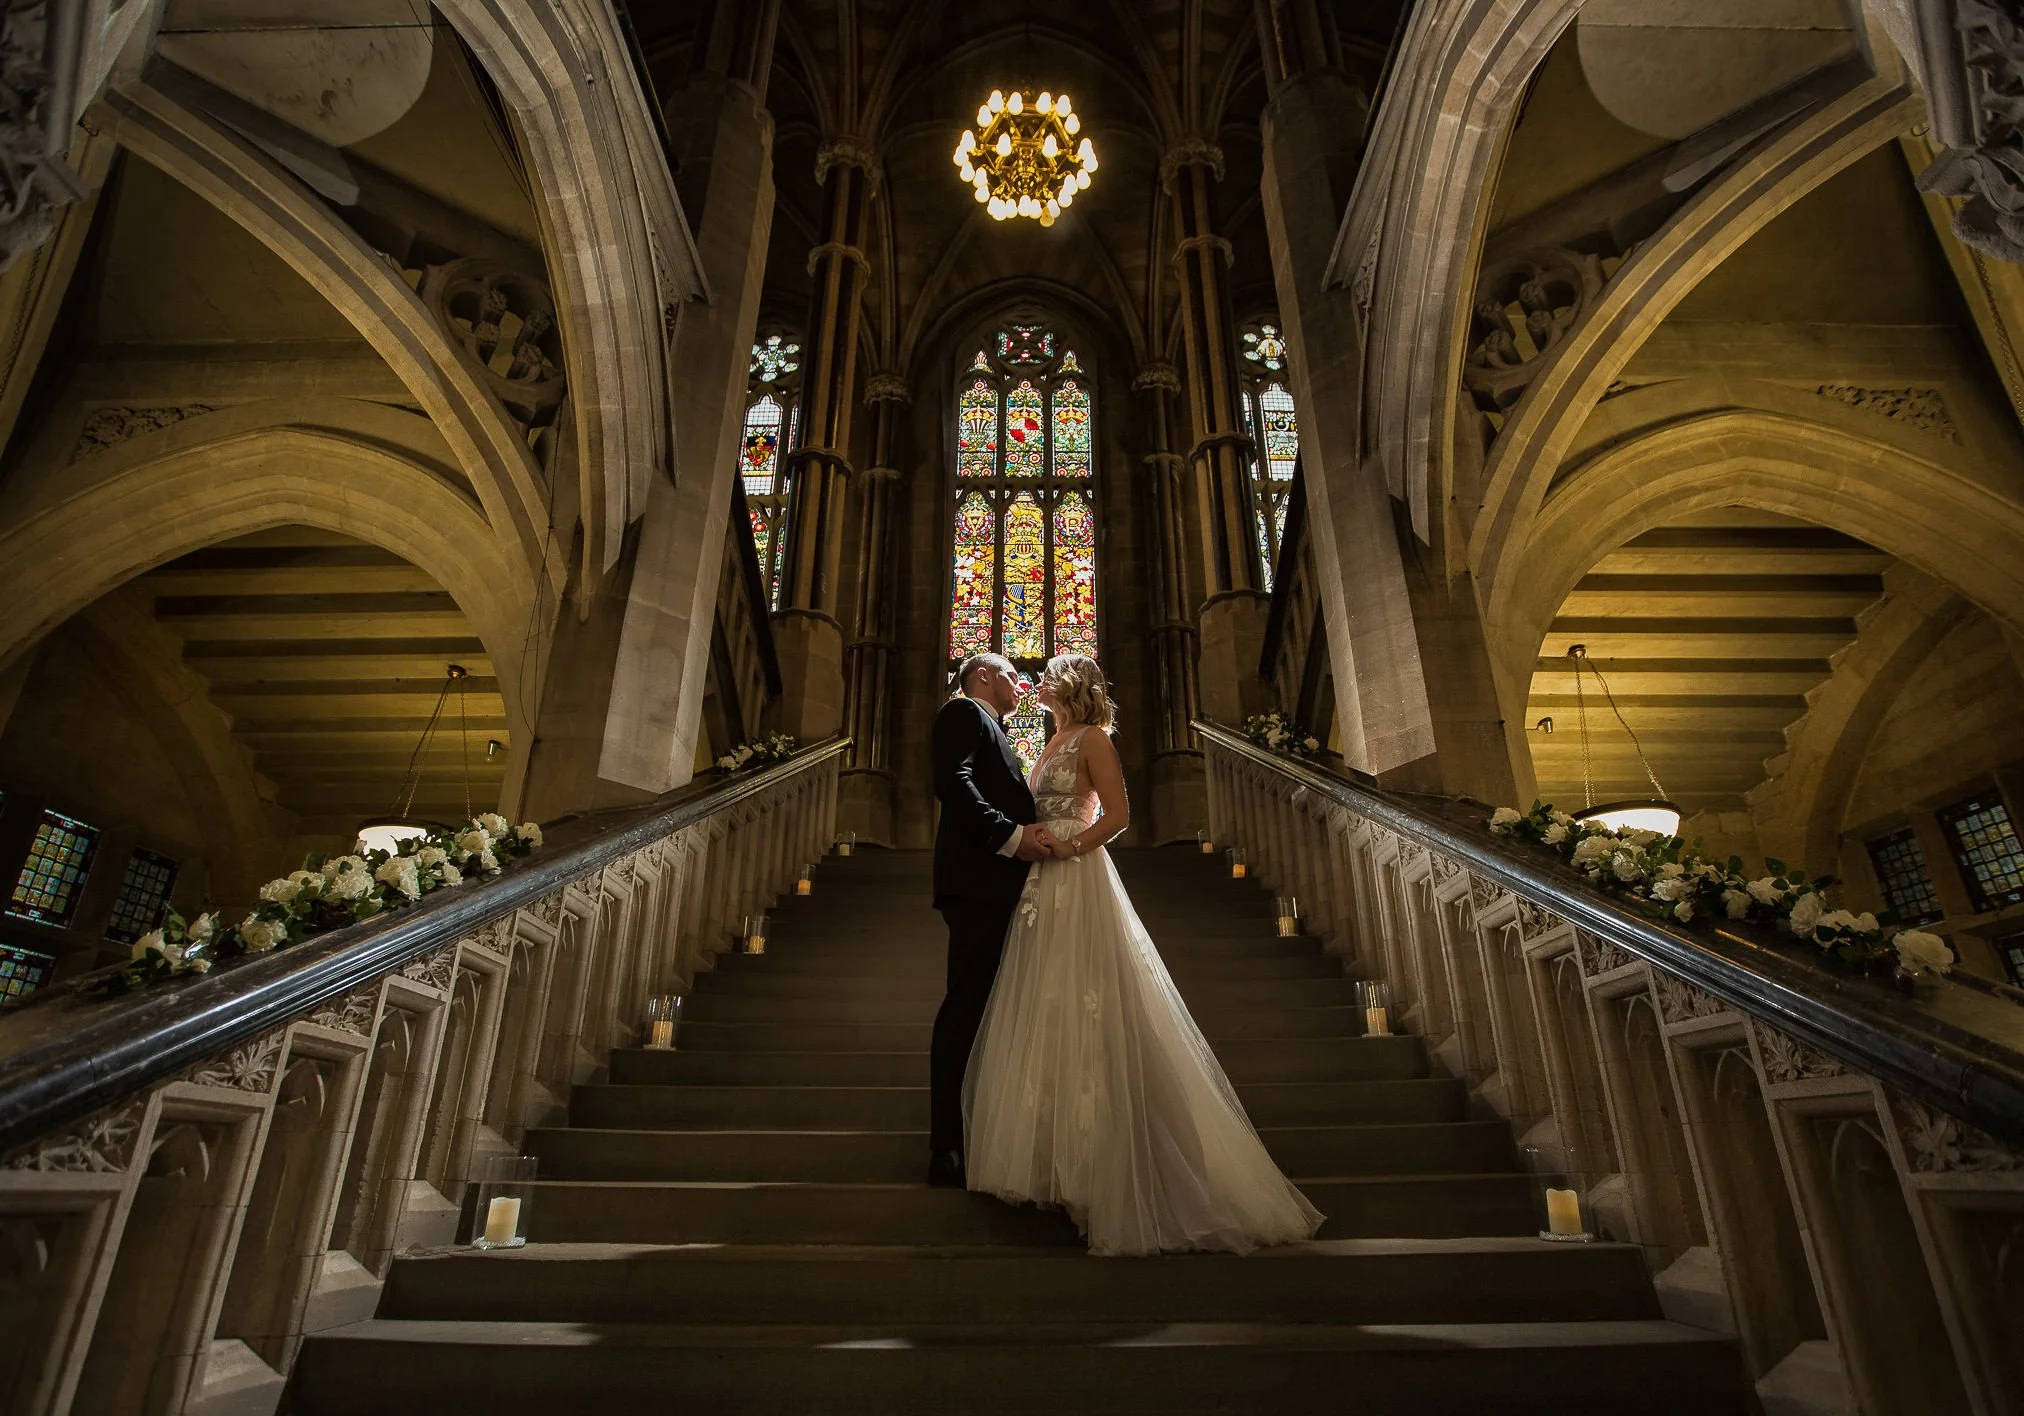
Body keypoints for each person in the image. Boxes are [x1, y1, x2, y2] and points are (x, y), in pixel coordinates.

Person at [962, 653, 1324, 1255]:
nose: (1036, 681)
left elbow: (1120, 816)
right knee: (1045, 1006)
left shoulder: (1093, 741)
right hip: (1039, 886)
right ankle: (1055, 1161)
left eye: (1048, 676)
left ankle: (1105, 1165)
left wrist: (1070, 846)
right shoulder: (1050, 742)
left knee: (1091, 1001)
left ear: (1071, 687)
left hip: (1077, 877)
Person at [927, 652, 1069, 1188]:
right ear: (983, 676)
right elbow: (954, 783)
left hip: (998, 887)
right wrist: (1011, 837)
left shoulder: (994, 728)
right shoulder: (963, 713)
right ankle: (946, 1147)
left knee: (988, 1006)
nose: (1022, 685)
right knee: (965, 1006)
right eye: (1014, 675)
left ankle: (978, 1130)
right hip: (978, 884)